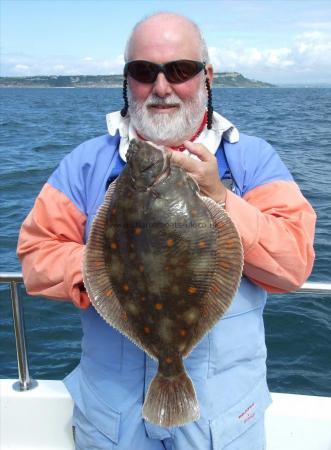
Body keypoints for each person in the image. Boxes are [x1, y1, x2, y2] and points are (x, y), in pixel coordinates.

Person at [17, 12, 316, 450]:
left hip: (224, 424)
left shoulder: (253, 159)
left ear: (207, 76)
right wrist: (109, 271)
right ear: (128, 80)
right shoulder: (85, 163)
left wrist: (221, 198)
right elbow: (35, 258)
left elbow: (293, 266)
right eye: (143, 72)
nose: (161, 87)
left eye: (179, 70)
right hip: (111, 422)